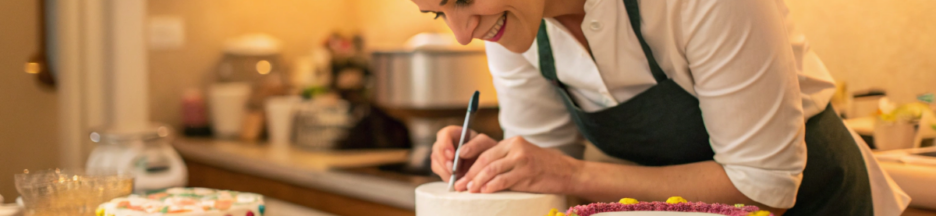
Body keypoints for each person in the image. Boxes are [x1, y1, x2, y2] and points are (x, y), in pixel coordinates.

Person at [411, 0, 910, 215]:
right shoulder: (507, 24)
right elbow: (544, 166)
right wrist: (504, 167)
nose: (460, 34)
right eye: (438, 11)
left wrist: (568, 175)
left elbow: (765, 190)